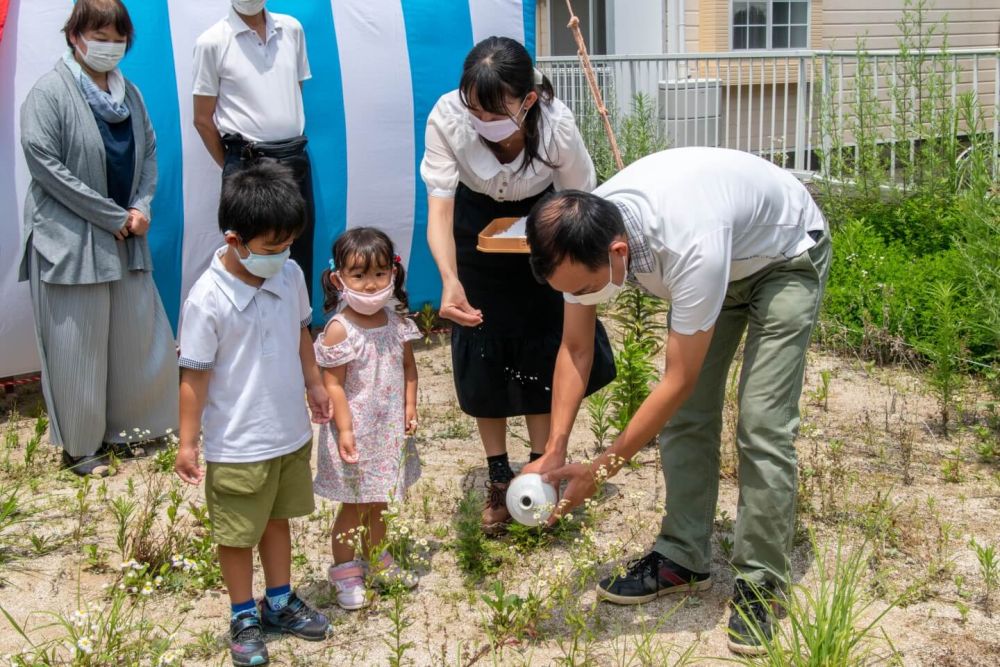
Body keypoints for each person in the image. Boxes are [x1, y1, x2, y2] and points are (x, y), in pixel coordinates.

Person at [522, 147, 831, 655]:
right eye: (569, 290)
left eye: (585, 288)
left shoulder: (690, 243)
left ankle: (760, 581)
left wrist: (600, 471)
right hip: (723, 259)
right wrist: (555, 448)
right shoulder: (578, 232)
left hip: (784, 254)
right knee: (687, 419)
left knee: (762, 422)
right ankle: (683, 556)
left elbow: (678, 378)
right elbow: (576, 348)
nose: (580, 295)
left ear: (618, 252)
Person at [421, 36, 615, 534]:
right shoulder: (447, 119)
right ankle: (497, 474)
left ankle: (540, 468)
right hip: (475, 233)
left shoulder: (556, 128)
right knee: (484, 349)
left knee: (540, 345)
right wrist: (449, 279)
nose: (481, 118)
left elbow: (580, 199)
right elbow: (439, 211)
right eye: (474, 107)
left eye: (495, 109)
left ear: (528, 100)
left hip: (543, 227)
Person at [174, 162, 330, 667]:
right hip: (237, 442)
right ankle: (243, 613)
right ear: (235, 239)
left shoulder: (290, 274)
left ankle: (279, 601)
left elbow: (302, 333)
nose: (281, 255)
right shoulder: (206, 299)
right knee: (237, 533)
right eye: (270, 247)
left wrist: (314, 385)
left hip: (287, 432)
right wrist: (187, 442)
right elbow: (194, 376)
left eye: (288, 245)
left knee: (277, 518)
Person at [18, 0, 178, 477]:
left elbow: (148, 152)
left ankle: (130, 432)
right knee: (77, 347)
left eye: (117, 37)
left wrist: (141, 206)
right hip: (69, 241)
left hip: (125, 234)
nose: (109, 46)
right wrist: (111, 215)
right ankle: (81, 449)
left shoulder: (130, 93)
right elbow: (44, 164)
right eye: (99, 35)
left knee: (136, 336)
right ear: (75, 36)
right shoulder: (49, 93)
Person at [316, 227, 423, 610]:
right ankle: (345, 573)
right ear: (338, 278)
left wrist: (410, 407)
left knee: (379, 502)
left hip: (387, 433)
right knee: (353, 506)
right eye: (358, 275)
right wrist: (344, 429)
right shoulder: (339, 329)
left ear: (392, 274)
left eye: (379, 274)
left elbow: (409, 369)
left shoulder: (397, 324)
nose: (369, 284)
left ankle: (378, 561)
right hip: (355, 436)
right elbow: (334, 385)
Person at [192, 0, 316, 300]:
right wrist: (235, 165)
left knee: (295, 254)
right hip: (246, 161)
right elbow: (202, 119)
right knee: (248, 257)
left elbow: (293, 90)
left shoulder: (292, 30)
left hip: (294, 158)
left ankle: (297, 334)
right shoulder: (212, 41)